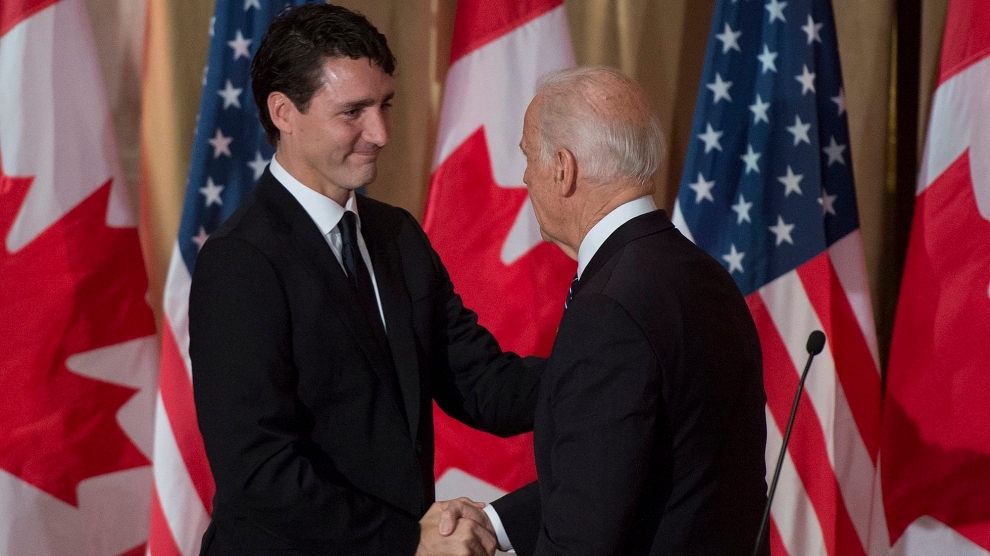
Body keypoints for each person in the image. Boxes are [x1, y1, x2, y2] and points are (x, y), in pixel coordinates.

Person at [188, 4, 538, 555]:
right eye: (353, 112)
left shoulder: (396, 234)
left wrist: (608, 371)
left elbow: (481, 385)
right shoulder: (241, 262)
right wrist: (405, 541)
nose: (380, 132)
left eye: (385, 106)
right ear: (284, 112)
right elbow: (258, 472)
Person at [443, 66, 768, 555]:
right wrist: (496, 522)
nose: (527, 178)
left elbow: (582, 539)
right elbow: (634, 471)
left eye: (529, 158)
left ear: (563, 167)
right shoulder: (704, 275)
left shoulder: (609, 310)